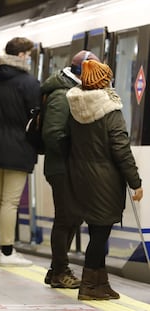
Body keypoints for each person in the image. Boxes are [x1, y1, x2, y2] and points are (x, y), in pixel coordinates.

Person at [66, 60, 143, 300]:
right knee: (100, 236)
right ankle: (89, 286)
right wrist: (135, 182)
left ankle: (101, 283)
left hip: (82, 178)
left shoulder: (76, 108)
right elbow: (121, 149)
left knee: (97, 232)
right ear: (105, 80)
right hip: (105, 180)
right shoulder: (111, 111)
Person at [41, 50, 100, 288]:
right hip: (61, 166)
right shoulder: (61, 94)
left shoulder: (73, 91)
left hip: (70, 167)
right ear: (82, 70)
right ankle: (60, 272)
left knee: (74, 217)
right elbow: (53, 134)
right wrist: (77, 150)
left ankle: (56, 270)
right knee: (66, 218)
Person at [0, 37, 39, 267]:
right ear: (21, 55)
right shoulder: (28, 82)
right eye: (29, 54)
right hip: (18, 146)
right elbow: (35, 118)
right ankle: (7, 252)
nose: (30, 58)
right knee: (10, 202)